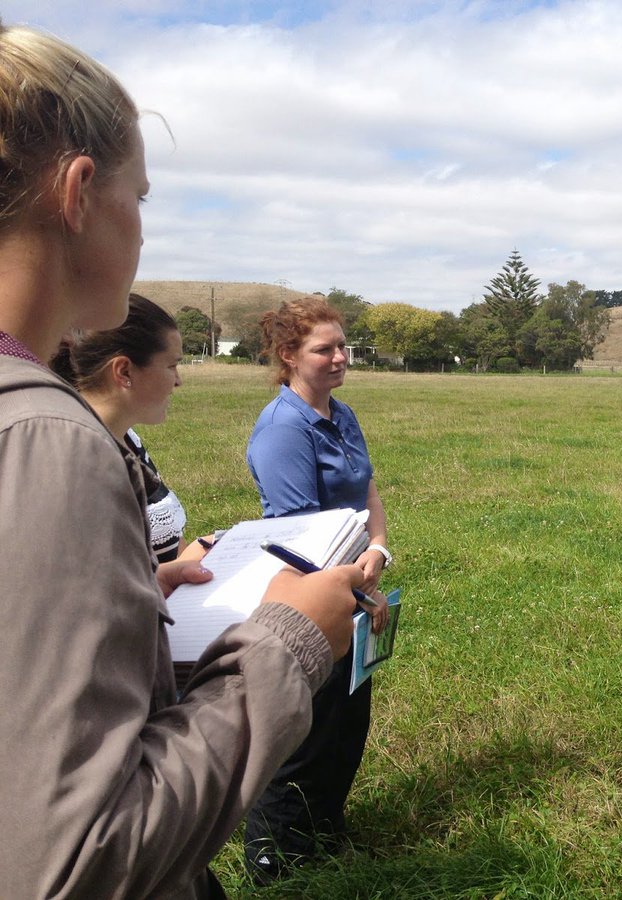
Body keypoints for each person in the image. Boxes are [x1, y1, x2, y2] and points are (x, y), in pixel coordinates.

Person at [0, 20, 366, 899]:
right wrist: (288, 644)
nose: (141, 225)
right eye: (143, 196)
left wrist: (127, 599)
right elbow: (78, 858)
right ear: (80, 193)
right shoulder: (50, 439)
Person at [243, 296, 392, 881]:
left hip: (355, 584)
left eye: (341, 347)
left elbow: (367, 489)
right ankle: (272, 853)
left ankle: (325, 829)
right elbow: (299, 540)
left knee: (345, 721)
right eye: (323, 349)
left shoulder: (342, 413)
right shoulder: (282, 429)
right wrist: (358, 588)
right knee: (302, 730)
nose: (339, 358)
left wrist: (378, 550)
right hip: (312, 593)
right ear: (288, 356)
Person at [52, 294, 188, 563]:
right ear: (124, 372)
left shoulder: (127, 439)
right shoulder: (77, 458)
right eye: (172, 366)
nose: (178, 381)